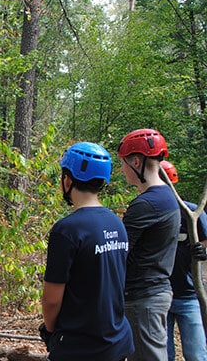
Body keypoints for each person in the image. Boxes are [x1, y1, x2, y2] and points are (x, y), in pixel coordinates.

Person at [40, 142, 133, 361]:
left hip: (79, 346)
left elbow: (51, 299)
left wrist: (51, 331)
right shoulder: (116, 223)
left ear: (67, 179)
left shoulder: (67, 230)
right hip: (117, 341)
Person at [117, 128, 180, 361]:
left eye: (124, 163)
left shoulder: (148, 204)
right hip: (151, 294)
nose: (122, 169)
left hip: (142, 299)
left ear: (136, 161)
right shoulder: (167, 198)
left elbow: (118, 253)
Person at [160, 160, 207, 361]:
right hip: (161, 296)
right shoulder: (150, 212)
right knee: (165, 354)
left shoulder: (192, 213)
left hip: (189, 295)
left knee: (196, 354)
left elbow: (205, 241)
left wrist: (202, 251)